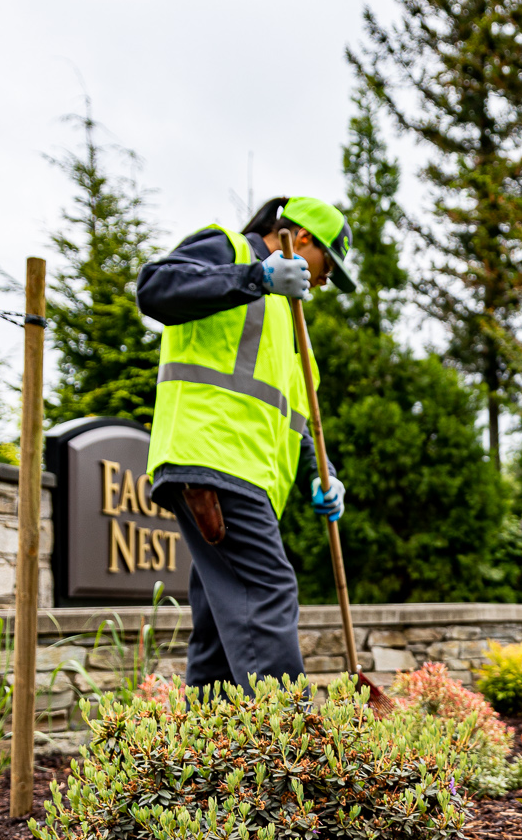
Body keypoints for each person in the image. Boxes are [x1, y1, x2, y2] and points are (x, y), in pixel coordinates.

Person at [135, 195, 357, 688]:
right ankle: (291, 753)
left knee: (219, 633)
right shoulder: (230, 251)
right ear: (299, 238)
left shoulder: (292, 328)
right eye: (327, 266)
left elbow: (299, 424)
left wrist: (325, 479)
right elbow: (155, 289)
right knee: (267, 595)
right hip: (211, 459)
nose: (324, 281)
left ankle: (205, 757)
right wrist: (255, 279)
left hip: (243, 478)